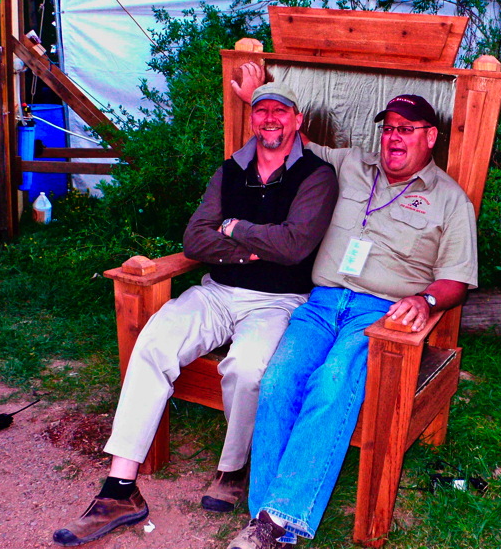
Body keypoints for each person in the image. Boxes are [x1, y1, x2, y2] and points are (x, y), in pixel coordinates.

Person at [51, 83, 339, 547]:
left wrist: (236, 229)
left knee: (247, 369)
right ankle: (119, 488)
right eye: (261, 111)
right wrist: (246, 253)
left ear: (297, 120)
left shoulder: (316, 176)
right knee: (153, 342)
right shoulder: (230, 171)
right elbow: (195, 240)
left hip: (280, 301)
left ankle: (232, 470)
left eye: (280, 112)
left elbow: (295, 246)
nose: (270, 120)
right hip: (218, 289)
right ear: (253, 119)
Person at [227, 72, 478, 549]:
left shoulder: (450, 200)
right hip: (320, 301)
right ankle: (266, 517)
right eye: (388, 128)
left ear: (430, 137)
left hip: (378, 314)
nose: (394, 137)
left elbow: (457, 280)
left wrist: (424, 300)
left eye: (407, 128)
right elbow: (287, 138)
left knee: (333, 380)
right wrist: (254, 101)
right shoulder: (349, 164)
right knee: (279, 377)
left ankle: (279, 521)